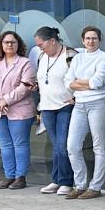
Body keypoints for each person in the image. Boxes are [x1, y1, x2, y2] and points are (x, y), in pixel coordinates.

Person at [0, 30, 37, 190]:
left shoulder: (25, 63)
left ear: (18, 45)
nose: (9, 45)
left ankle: (20, 177)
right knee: (5, 144)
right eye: (6, 42)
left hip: (19, 110)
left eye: (13, 42)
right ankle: (9, 175)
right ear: (1, 44)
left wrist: (5, 100)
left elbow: (25, 87)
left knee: (19, 144)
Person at [64, 25, 105, 200]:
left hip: (98, 104)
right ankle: (80, 184)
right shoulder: (78, 58)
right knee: (72, 146)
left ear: (99, 40)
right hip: (79, 106)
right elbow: (67, 81)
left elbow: (97, 82)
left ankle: (95, 186)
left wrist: (79, 83)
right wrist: (85, 83)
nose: (91, 41)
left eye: (94, 38)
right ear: (82, 40)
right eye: (88, 38)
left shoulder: (104, 58)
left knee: (98, 146)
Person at [32, 26, 76, 195]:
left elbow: (80, 77)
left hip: (65, 105)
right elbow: (43, 79)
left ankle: (66, 181)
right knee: (56, 145)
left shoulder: (70, 55)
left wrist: (76, 98)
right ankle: (57, 179)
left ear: (52, 41)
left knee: (62, 144)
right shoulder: (42, 57)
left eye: (41, 44)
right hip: (47, 106)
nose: (39, 48)